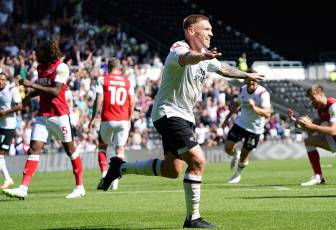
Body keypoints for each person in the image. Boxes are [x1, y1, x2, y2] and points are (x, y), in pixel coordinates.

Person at [101, 14, 263, 228]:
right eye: (206, 29)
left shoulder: (206, 57)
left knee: (172, 170)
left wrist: (246, 75)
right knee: (197, 160)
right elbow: (187, 58)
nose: (211, 33)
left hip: (184, 116)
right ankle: (193, 218)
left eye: (211, 29)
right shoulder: (178, 48)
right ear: (191, 31)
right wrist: (202, 58)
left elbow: (224, 69)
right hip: (168, 113)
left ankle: (119, 168)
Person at [3, 40, 85, 199]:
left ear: (47, 53)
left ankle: (79, 187)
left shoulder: (61, 67)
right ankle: (23, 188)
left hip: (59, 116)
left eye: (38, 53)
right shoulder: (41, 68)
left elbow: (55, 91)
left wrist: (31, 85)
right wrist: (28, 96)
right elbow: (44, 88)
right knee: (34, 148)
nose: (36, 56)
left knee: (70, 150)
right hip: (43, 115)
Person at [89, 58, 135, 190]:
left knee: (102, 146)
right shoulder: (127, 81)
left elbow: (99, 99)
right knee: (119, 149)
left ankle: (105, 175)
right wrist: (129, 118)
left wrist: (93, 117)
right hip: (123, 119)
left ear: (108, 68)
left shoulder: (103, 80)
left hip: (108, 118)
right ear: (119, 67)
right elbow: (132, 101)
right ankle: (115, 182)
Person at [222, 78, 271, 184]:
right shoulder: (243, 89)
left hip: (255, 129)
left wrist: (254, 107)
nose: (250, 85)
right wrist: (227, 118)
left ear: (257, 81)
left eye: (253, 82)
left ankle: (237, 174)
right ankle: (235, 154)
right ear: (245, 81)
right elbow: (237, 105)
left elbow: (267, 113)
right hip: (240, 124)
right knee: (227, 148)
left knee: (244, 157)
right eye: (248, 82)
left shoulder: (263, 94)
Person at [0, 72, 22, 189]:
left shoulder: (12, 90)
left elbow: (19, 106)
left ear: (6, 80)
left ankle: (8, 179)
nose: (1, 81)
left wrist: (5, 112)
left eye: (3, 79)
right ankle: (8, 179)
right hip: (0, 126)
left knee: (0, 154)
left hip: (9, 126)